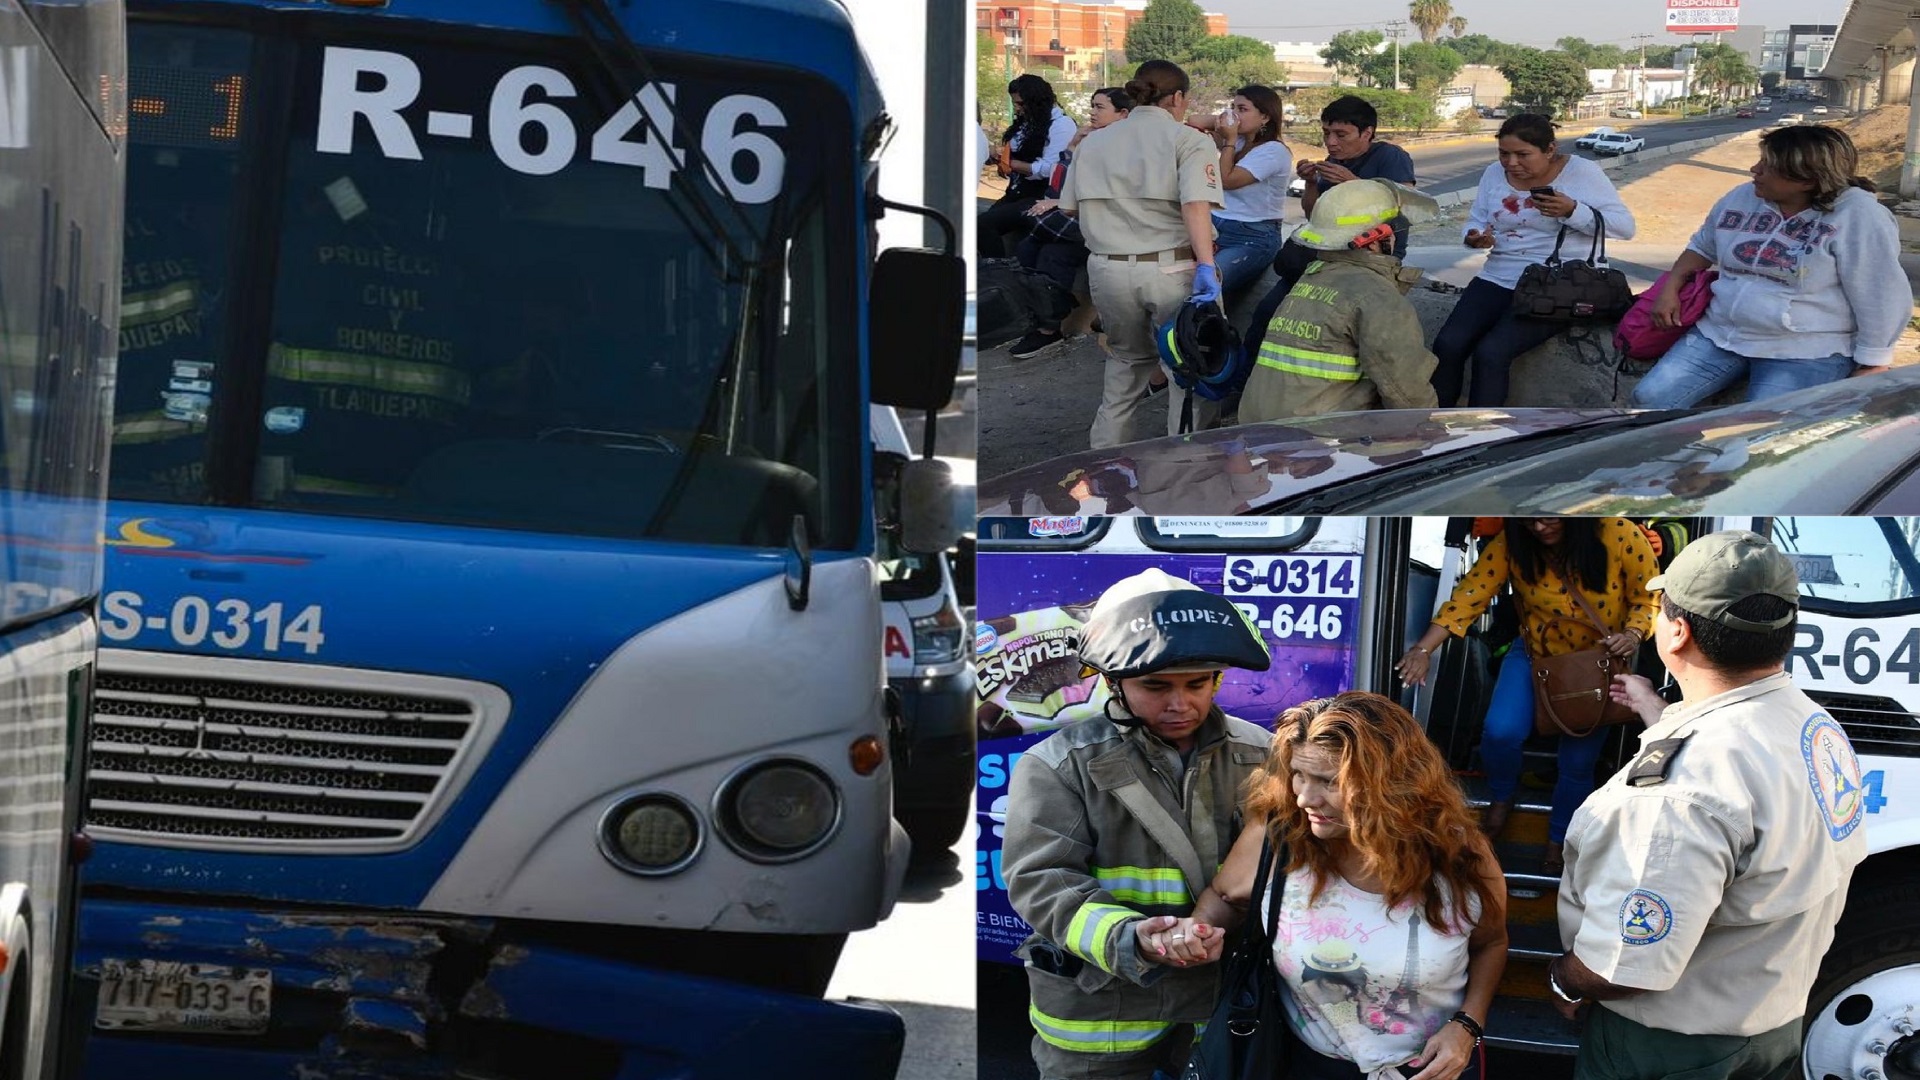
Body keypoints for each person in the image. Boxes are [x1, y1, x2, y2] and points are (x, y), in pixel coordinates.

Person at [1550, 531, 1867, 1080]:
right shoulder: (1815, 726)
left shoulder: (1678, 793)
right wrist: (1657, 709)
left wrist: (1564, 982)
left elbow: (1628, 962)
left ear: (1677, 631)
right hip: (1770, 1023)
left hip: (1668, 1048)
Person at [1002, 567, 1274, 1080]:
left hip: (1216, 1007)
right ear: (1113, 681)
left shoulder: (1262, 755)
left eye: (1198, 683)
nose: (1181, 703)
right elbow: (1042, 883)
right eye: (1155, 686)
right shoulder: (1058, 766)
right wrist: (1132, 936)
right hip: (1101, 1017)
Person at [1162, 693, 1508, 1080]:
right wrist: (1199, 929)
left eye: (1329, 781)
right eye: (1298, 774)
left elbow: (1491, 943)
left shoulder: (1460, 855)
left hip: (1432, 1069)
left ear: (1391, 783)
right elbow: (1224, 898)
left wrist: (1467, 1026)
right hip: (1304, 1064)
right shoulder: (1280, 839)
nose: (1305, 797)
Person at [1396, 518, 1658, 876]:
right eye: (1529, 518)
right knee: (1500, 730)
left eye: (1549, 517)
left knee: (1577, 764)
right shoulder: (1512, 541)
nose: (1538, 526)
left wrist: (1633, 633)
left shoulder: (1620, 532)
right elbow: (1470, 594)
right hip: (1535, 655)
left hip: (1598, 663)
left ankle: (1560, 838)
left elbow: (1649, 597)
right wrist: (1423, 651)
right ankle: (1502, 795)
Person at [1631, 124, 1910, 408]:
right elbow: (1702, 247)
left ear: (1807, 180)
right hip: (1720, 333)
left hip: (1805, 348)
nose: (1755, 169)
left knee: (1761, 429)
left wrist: (1873, 362)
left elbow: (1880, 294)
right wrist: (1670, 288)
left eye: (1769, 165)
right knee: (1649, 400)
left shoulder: (1859, 215)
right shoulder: (1741, 197)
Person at [1057, 59, 1223, 449]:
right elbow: (1195, 206)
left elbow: (1068, 207)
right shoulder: (1190, 140)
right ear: (1178, 97)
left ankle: (1105, 464)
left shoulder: (1093, 142)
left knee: (1125, 365)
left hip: (1108, 270)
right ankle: (1190, 469)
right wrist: (1206, 267)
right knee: (1190, 367)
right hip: (1174, 267)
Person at [1431, 115, 1635, 408]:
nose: (1512, 163)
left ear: (1550, 150)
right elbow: (1477, 218)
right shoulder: (1493, 173)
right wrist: (1473, 236)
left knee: (1492, 353)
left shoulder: (1581, 172)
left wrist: (1573, 211)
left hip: (1554, 285)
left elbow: (1624, 228)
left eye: (1523, 155)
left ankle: (1482, 437)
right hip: (1496, 276)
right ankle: (1437, 428)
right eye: (1504, 153)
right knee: (1448, 345)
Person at [1238, 178, 1441, 423]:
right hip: (1318, 444)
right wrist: (1431, 435)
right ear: (1378, 238)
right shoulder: (1376, 295)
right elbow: (1407, 392)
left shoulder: (1311, 279)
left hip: (1260, 429)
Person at [1243, 95, 1417, 356]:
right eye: (1326, 133)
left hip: (1370, 259)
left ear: (1367, 133)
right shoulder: (1333, 162)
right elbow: (1315, 215)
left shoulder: (1390, 156)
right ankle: (1246, 384)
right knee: (1268, 313)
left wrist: (1354, 183)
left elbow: (1407, 208)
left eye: (1341, 134)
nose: (1331, 142)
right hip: (1329, 255)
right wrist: (1311, 183)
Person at [1006, 87, 1135, 361]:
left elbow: (1108, 190)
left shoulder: (1127, 145)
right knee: (1029, 248)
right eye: (1092, 106)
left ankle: (1047, 329)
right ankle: (1038, 320)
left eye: (1100, 107)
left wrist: (1060, 202)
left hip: (1106, 224)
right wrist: (1074, 145)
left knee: (1054, 253)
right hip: (1076, 215)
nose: (1092, 112)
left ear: (1123, 114)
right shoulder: (1091, 139)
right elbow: (1059, 179)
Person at [981, 74, 1080, 259]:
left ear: (1035, 102)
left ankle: (999, 273)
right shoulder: (1028, 123)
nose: (1017, 109)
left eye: (1020, 104)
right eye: (1015, 103)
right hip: (1016, 192)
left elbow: (1052, 167)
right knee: (979, 226)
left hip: (1039, 197)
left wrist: (1015, 164)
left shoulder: (1061, 125)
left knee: (984, 225)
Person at [1207, 84, 1293, 293]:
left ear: (1265, 117)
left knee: (1208, 286)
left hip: (1251, 236)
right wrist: (1228, 119)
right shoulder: (1240, 140)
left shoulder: (1273, 151)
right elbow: (1194, 121)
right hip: (1217, 225)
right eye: (1232, 107)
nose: (1234, 115)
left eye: (1242, 109)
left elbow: (1227, 180)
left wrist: (1229, 139)